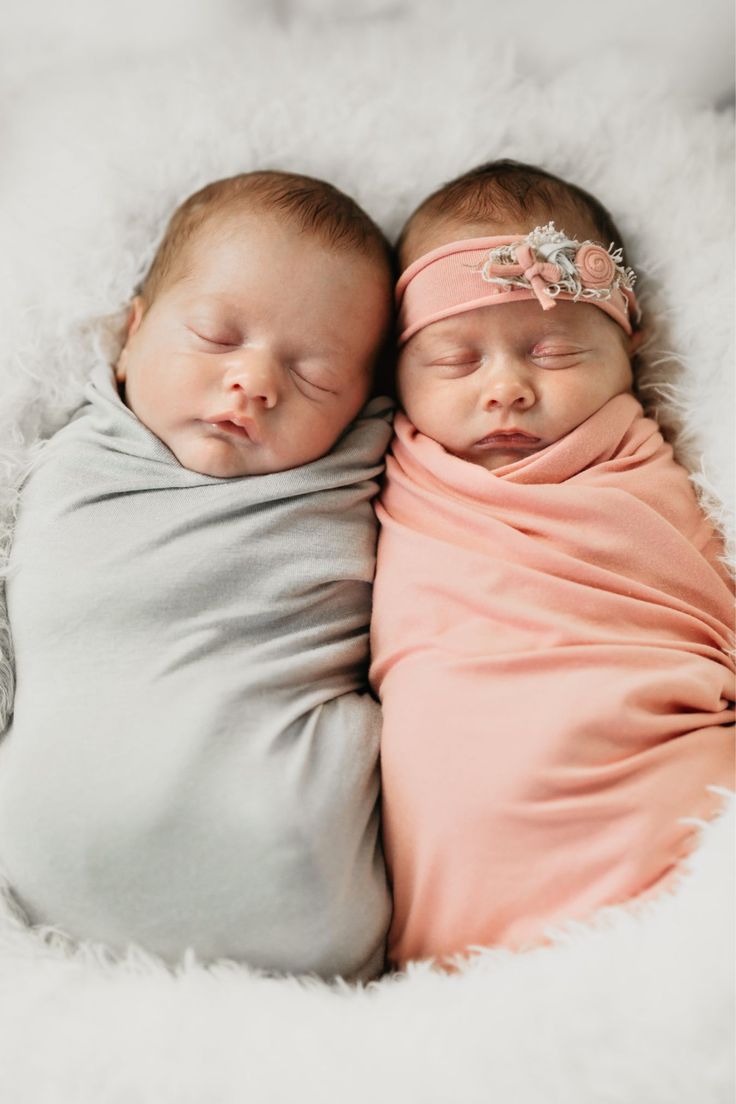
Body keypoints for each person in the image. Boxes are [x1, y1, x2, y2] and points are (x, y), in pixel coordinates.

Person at [0, 170, 394, 981]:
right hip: (43, 886)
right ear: (130, 333)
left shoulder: (365, 461)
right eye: (217, 337)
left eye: (316, 376)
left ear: (364, 401)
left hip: (302, 882)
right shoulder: (79, 448)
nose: (255, 382)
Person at [369, 159, 735, 969]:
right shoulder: (386, 467)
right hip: (461, 864)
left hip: (659, 790)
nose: (507, 389)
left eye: (553, 352)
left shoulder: (644, 470)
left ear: (627, 347)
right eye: (456, 361)